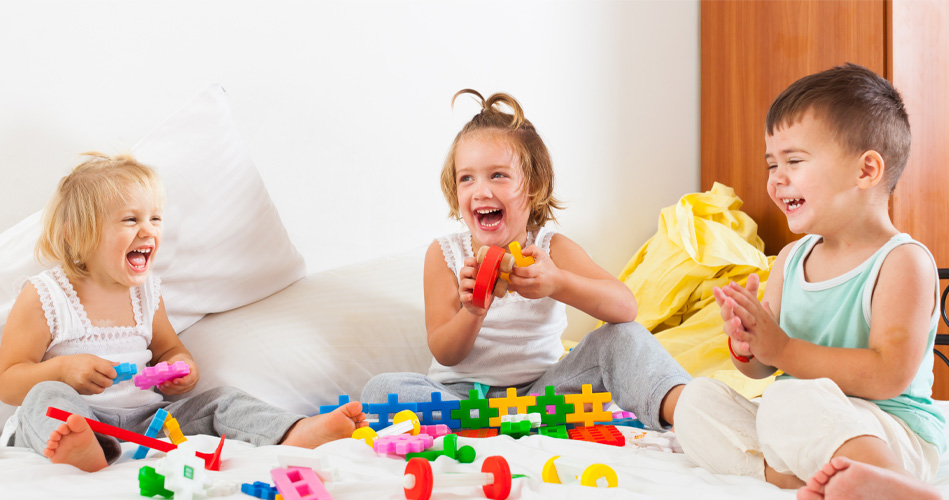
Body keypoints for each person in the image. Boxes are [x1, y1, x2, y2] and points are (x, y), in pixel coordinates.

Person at [673, 63, 943, 500]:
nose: (776, 178)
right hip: (804, 424)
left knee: (791, 401)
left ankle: (892, 484)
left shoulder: (901, 261)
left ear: (865, 171)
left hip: (891, 432)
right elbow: (765, 367)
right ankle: (793, 477)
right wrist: (748, 344)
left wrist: (784, 349)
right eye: (772, 163)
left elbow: (888, 376)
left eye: (794, 161)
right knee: (697, 400)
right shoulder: (791, 260)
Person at [0, 153, 366, 472]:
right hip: (80, 415)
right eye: (131, 220)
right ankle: (83, 446)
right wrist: (62, 370)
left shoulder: (145, 294)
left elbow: (168, 350)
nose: (148, 230)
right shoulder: (46, 295)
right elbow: (8, 380)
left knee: (221, 400)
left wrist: (181, 370)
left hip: (148, 420)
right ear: (76, 234)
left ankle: (291, 431)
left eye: (155, 219)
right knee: (45, 397)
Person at [361, 90, 690, 430]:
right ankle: (496, 422)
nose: (481, 190)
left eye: (498, 175)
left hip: (541, 393)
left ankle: (689, 408)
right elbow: (445, 352)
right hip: (458, 397)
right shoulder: (445, 254)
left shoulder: (551, 248)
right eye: (467, 178)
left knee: (624, 338)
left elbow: (625, 308)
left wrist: (558, 283)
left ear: (532, 186)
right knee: (380, 390)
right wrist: (474, 311)